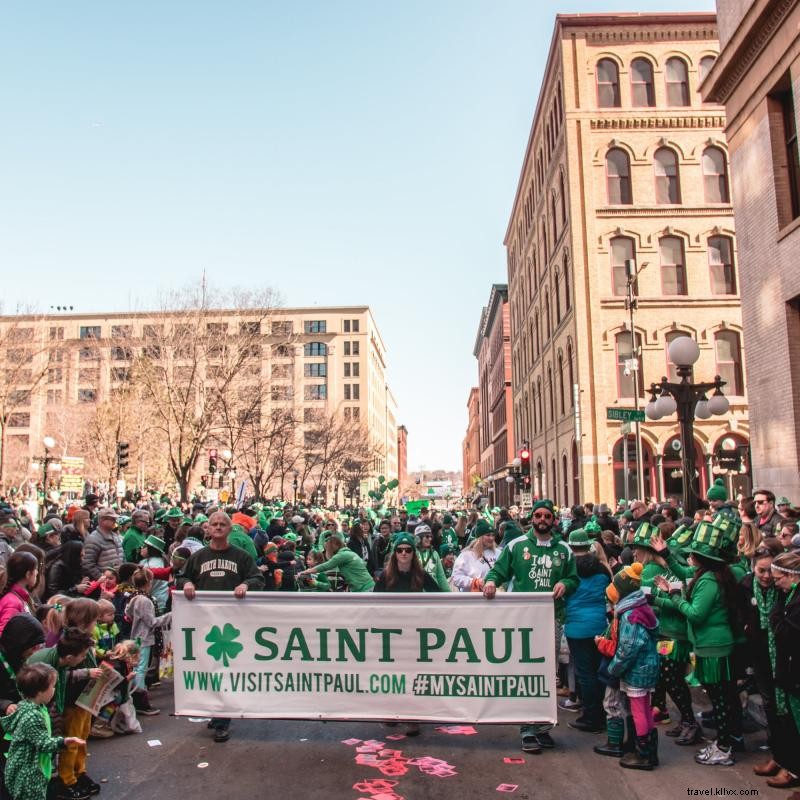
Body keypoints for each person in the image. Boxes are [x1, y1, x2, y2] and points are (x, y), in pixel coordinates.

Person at [483, 499, 579, 755]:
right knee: (527, 673)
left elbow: (573, 578)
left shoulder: (564, 550)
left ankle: (542, 727)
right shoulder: (516, 546)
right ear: (532, 518)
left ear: (554, 520)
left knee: (548, 674)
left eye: (547, 516)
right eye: (538, 515)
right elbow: (498, 572)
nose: (542, 520)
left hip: (553, 618)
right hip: (523, 620)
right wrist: (490, 582)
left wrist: (566, 584)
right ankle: (527, 728)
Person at [652, 521, 742, 766]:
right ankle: (724, 742)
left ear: (702, 558)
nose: (689, 557)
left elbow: (695, 613)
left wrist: (674, 597)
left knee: (721, 699)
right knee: (719, 697)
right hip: (707, 645)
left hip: (715, 647)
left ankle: (724, 746)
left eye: (692, 554)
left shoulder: (709, 581)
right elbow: (682, 573)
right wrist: (666, 556)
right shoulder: (707, 575)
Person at [178, 511, 264, 742]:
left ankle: (222, 719)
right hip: (204, 623)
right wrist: (186, 583)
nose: (217, 528)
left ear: (229, 528)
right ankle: (216, 712)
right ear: (207, 529)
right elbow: (181, 576)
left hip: (232, 625)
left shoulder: (241, 556)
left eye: (222, 524)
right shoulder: (198, 557)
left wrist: (246, 584)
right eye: (213, 524)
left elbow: (258, 579)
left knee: (225, 668)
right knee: (208, 668)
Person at [27, 627, 99, 800]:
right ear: (69, 658)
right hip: (41, 708)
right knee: (50, 746)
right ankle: (59, 783)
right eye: (82, 656)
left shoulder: (59, 662)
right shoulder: (45, 666)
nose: (84, 659)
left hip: (51, 707)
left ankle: (71, 777)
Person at [604, 563, 660, 770]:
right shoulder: (641, 608)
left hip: (637, 669)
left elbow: (629, 646)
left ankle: (643, 753)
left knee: (639, 710)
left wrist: (615, 667)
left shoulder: (630, 614)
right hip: (648, 665)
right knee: (645, 706)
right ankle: (649, 750)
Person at [1, 663, 85, 800]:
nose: (54, 689)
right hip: (29, 774)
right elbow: (44, 743)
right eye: (52, 686)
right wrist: (65, 741)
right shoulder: (32, 716)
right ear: (40, 691)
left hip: (32, 767)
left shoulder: (32, 705)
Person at [564, 528, 611, 734]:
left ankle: (592, 716)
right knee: (598, 670)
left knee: (585, 673)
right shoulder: (602, 569)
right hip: (599, 625)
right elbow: (610, 593)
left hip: (576, 626)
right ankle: (602, 711)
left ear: (571, 546)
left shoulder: (568, 569)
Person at [765, 551, 800, 793]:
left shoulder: (794, 603)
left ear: (792, 576)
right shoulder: (790, 597)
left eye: (779, 579)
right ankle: (789, 764)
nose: (775, 582)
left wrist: (776, 611)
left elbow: (784, 632)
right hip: (789, 669)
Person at [125, 567, 171, 716]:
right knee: (141, 668)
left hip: (137, 636)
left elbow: (128, 614)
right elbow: (151, 622)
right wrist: (170, 615)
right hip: (143, 638)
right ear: (149, 582)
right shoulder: (144, 600)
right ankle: (140, 699)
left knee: (138, 667)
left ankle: (138, 697)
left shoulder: (134, 597)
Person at [297, 532, 375, 592]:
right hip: (367, 586)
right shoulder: (350, 553)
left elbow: (325, 566)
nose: (326, 550)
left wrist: (306, 571)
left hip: (364, 588)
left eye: (327, 547)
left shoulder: (342, 555)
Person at [373, 533, 441, 593]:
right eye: (399, 550)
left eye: (408, 550)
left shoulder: (421, 574)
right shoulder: (385, 575)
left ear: (413, 553)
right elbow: (375, 599)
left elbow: (437, 595)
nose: (404, 553)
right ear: (395, 553)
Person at [450, 519, 498, 592]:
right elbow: (456, 578)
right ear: (480, 537)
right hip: (473, 599)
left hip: (494, 598)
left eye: (493, 535)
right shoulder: (466, 555)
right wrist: (474, 582)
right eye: (488, 535)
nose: (491, 538)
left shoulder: (499, 553)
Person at [0, 551, 39, 636]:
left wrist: (56, 607)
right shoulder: (12, 602)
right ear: (28, 574)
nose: (37, 572)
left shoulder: (20, 596)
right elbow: (3, 635)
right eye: (36, 569)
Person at [81, 509, 123, 581]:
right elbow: (88, 564)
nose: (115, 521)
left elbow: (122, 557)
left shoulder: (115, 536)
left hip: (117, 581)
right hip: (103, 585)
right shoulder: (93, 539)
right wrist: (103, 578)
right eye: (112, 519)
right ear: (102, 520)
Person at [414, 524, 450, 592]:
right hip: (417, 595)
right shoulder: (412, 553)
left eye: (431, 536)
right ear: (418, 538)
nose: (430, 539)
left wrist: (449, 594)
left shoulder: (434, 554)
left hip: (433, 593)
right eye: (427, 536)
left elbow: (441, 576)